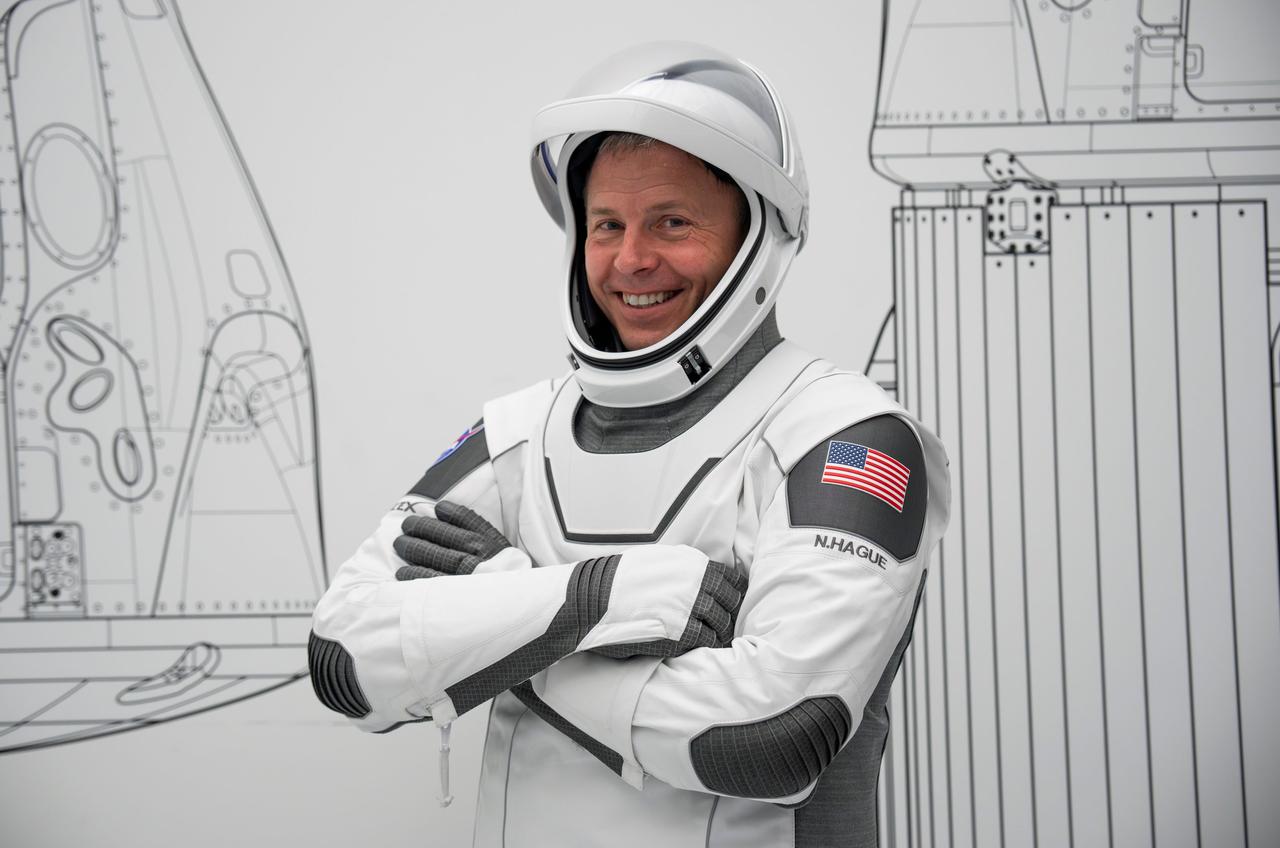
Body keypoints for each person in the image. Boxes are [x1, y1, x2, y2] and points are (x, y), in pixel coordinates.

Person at [308, 42, 950, 847]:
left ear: (759, 237)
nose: (632, 259)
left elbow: (772, 738)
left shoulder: (844, 437)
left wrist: (499, 624)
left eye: (672, 222)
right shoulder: (515, 433)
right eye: (606, 224)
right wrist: (606, 598)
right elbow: (345, 659)